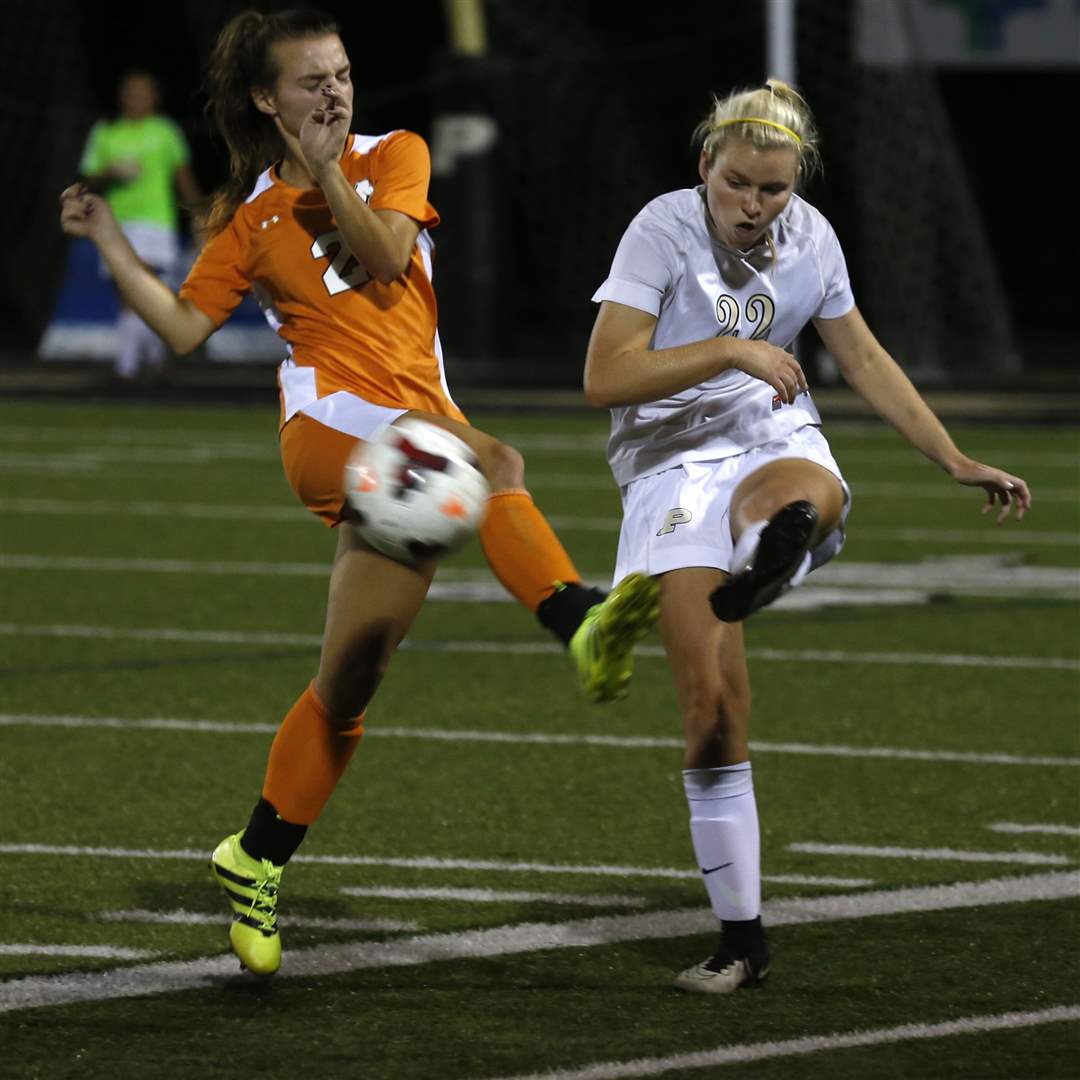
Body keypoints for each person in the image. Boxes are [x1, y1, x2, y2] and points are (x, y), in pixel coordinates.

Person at [60, 7, 659, 978]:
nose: (335, 91)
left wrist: (330, 164)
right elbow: (178, 328)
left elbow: (382, 252)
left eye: (341, 73)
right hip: (330, 432)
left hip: (407, 431)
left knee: (351, 683)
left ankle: (253, 855)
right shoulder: (251, 218)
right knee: (496, 465)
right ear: (267, 98)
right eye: (310, 81)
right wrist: (109, 241)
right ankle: (581, 623)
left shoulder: (398, 154)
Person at [584, 79, 1031, 995]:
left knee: (804, 489)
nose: (753, 206)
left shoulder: (811, 237)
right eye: (738, 184)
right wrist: (729, 349)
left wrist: (952, 460)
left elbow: (861, 354)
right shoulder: (662, 228)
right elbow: (604, 377)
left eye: (774, 190)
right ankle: (741, 940)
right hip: (668, 461)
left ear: (798, 184)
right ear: (705, 165)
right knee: (711, 714)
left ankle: (773, 544)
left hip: (765, 435)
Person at [79, 70, 204, 383]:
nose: (137, 98)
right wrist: (110, 172)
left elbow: (183, 178)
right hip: (116, 225)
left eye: (143, 92)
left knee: (147, 293)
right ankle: (153, 362)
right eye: (131, 92)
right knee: (130, 293)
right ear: (122, 97)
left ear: (154, 98)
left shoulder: (165, 131)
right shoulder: (106, 132)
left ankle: (128, 367)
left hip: (156, 224)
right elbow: (87, 180)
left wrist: (201, 217)